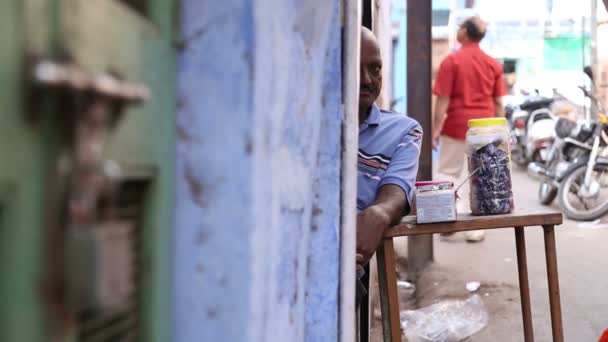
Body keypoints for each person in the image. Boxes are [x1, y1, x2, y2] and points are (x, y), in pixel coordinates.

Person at [356, 27, 422, 303]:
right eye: (354, 69)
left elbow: (396, 188)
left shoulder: (403, 131)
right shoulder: (303, 125)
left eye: (375, 69)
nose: (366, 80)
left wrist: (381, 213)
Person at [432, 16, 506, 242]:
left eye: (460, 27)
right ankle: (476, 230)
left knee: (449, 174)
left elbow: (443, 99)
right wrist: (500, 132)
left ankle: (448, 222)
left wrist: (436, 128)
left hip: (456, 125)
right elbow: (499, 103)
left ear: (465, 32)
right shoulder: (492, 63)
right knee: (481, 176)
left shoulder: (451, 61)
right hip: (484, 129)